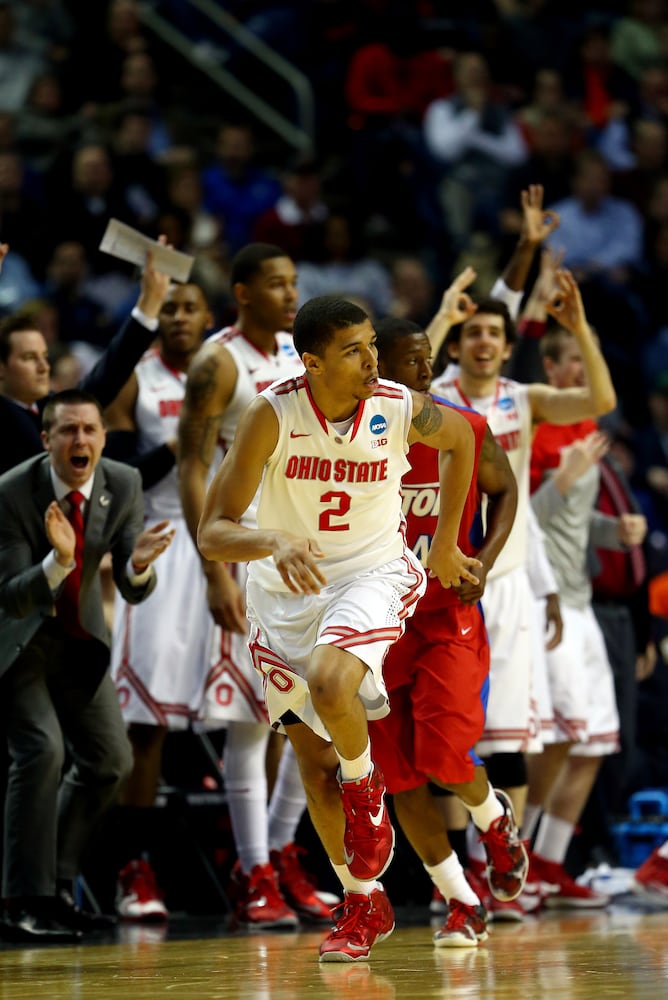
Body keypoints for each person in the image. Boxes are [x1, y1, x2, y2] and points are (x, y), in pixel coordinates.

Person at [197, 294, 481, 962]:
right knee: (311, 765)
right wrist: (271, 541)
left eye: (372, 345)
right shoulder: (271, 413)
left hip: (372, 573)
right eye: (354, 350)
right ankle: (362, 903)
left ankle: (367, 789)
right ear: (313, 361)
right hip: (285, 592)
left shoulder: (396, 404)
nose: (372, 360)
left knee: (333, 685)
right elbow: (213, 531)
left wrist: (443, 544)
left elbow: (463, 437)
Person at [430, 270, 617, 912]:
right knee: (447, 739)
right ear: (456, 344)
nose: (483, 341)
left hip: (507, 583)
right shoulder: (431, 394)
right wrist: (440, 320)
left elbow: (600, 398)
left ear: (508, 347)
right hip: (443, 579)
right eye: (472, 332)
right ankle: (449, 883)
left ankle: (501, 876)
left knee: (509, 742)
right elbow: (395, 383)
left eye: (493, 333)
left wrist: (578, 329)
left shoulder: (523, 397)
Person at [178, 243, 333, 928]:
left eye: (295, 282)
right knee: (251, 721)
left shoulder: (306, 360)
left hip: (302, 550)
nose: (290, 293)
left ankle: (281, 853)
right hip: (244, 551)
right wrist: (213, 570)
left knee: (309, 717)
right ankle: (254, 870)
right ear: (242, 292)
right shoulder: (218, 363)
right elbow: (190, 469)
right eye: (276, 284)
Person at [369, 316, 524, 948]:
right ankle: (462, 902)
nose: (426, 370)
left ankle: (492, 818)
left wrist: (481, 564)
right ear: (377, 373)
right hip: (377, 623)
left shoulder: (465, 427)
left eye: (429, 359)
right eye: (411, 361)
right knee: (400, 778)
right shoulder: (355, 444)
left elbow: (507, 491)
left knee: (440, 756)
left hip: (445, 614)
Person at [0, 389, 174, 944]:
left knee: (110, 761)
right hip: (20, 639)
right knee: (42, 750)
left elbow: (131, 582)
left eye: (90, 430)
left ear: (102, 436)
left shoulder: (122, 482)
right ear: (46, 438)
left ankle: (57, 888)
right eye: (68, 430)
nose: (81, 440)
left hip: (80, 640)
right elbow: (10, 597)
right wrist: (59, 561)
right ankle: (21, 899)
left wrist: (140, 565)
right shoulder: (10, 491)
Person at [522, 322, 647, 908]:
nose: (581, 370)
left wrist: (615, 533)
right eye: (572, 359)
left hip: (583, 602)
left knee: (594, 743)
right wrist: (562, 482)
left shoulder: (585, 428)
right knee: (552, 742)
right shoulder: (534, 427)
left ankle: (548, 863)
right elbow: (518, 523)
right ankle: (512, 860)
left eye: (588, 359)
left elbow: (572, 526)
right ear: (550, 369)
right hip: (545, 604)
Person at [104, 281, 214, 920]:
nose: (177, 316)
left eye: (188, 306)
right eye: (167, 308)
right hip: (161, 547)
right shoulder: (135, 378)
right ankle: (134, 869)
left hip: (225, 553)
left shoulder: (231, 372)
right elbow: (117, 480)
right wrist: (176, 446)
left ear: (208, 314)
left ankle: (264, 863)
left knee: (265, 721)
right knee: (144, 727)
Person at [0, 244, 171, 475]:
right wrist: (173, 451)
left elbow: (104, 381)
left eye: (44, 356)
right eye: (29, 358)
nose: (43, 367)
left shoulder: (45, 405)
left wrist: (149, 304)